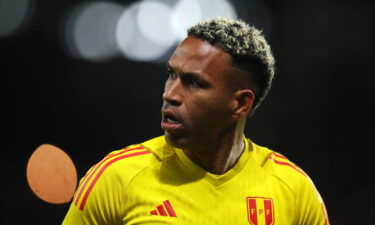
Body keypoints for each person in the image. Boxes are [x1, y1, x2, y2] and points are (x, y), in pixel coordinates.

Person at [62, 17, 329, 225]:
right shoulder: (116, 178)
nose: (170, 93)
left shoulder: (294, 191)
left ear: (240, 104)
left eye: (193, 82)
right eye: (171, 75)